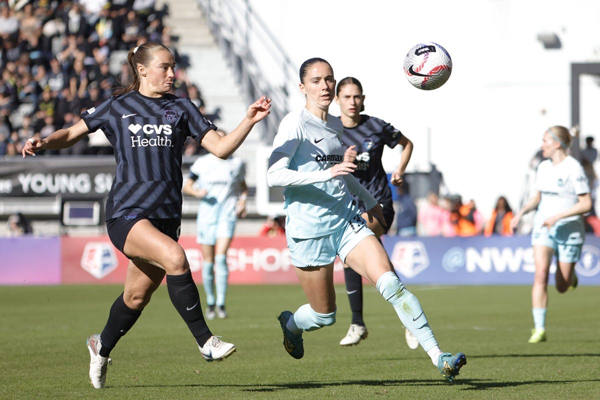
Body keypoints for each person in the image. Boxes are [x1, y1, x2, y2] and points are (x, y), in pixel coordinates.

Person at [22, 42, 271, 389]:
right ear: (142, 70)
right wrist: (44, 142)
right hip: (127, 213)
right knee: (175, 257)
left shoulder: (182, 107)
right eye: (165, 67)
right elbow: (71, 133)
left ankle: (100, 346)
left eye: (174, 67)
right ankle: (206, 341)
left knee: (136, 297)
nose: (172, 74)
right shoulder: (118, 106)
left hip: (166, 217)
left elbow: (221, 148)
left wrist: (248, 120)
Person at [267, 57, 466, 382]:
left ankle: (438, 356)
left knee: (391, 284)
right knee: (324, 315)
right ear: (302, 87)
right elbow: (274, 175)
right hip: (308, 231)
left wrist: (371, 200)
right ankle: (290, 325)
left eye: (329, 79)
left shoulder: (334, 126)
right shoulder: (294, 123)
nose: (325, 85)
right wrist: (326, 173)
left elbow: (343, 175)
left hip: (346, 221)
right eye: (316, 80)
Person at [334, 76, 418, 348]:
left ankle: (357, 323)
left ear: (363, 99)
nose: (352, 102)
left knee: (350, 255)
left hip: (378, 204)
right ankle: (411, 319)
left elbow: (407, 144)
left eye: (357, 96)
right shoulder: (329, 131)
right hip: (348, 208)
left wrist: (400, 169)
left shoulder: (376, 126)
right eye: (346, 97)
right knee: (379, 266)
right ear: (337, 100)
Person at [510, 126, 591, 344]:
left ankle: (570, 276)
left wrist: (559, 216)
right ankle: (539, 328)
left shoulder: (574, 168)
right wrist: (520, 213)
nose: (541, 145)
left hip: (569, 230)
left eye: (545, 140)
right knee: (540, 275)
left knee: (562, 286)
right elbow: (537, 197)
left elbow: (586, 203)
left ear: (557, 143)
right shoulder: (543, 167)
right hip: (543, 227)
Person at [182, 130, 248, 320]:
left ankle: (221, 303)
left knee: (221, 259)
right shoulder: (202, 163)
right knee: (208, 263)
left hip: (226, 216)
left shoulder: (236, 163)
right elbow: (187, 186)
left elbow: (242, 187)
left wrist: (243, 201)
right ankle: (210, 303)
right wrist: (197, 193)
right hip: (206, 217)